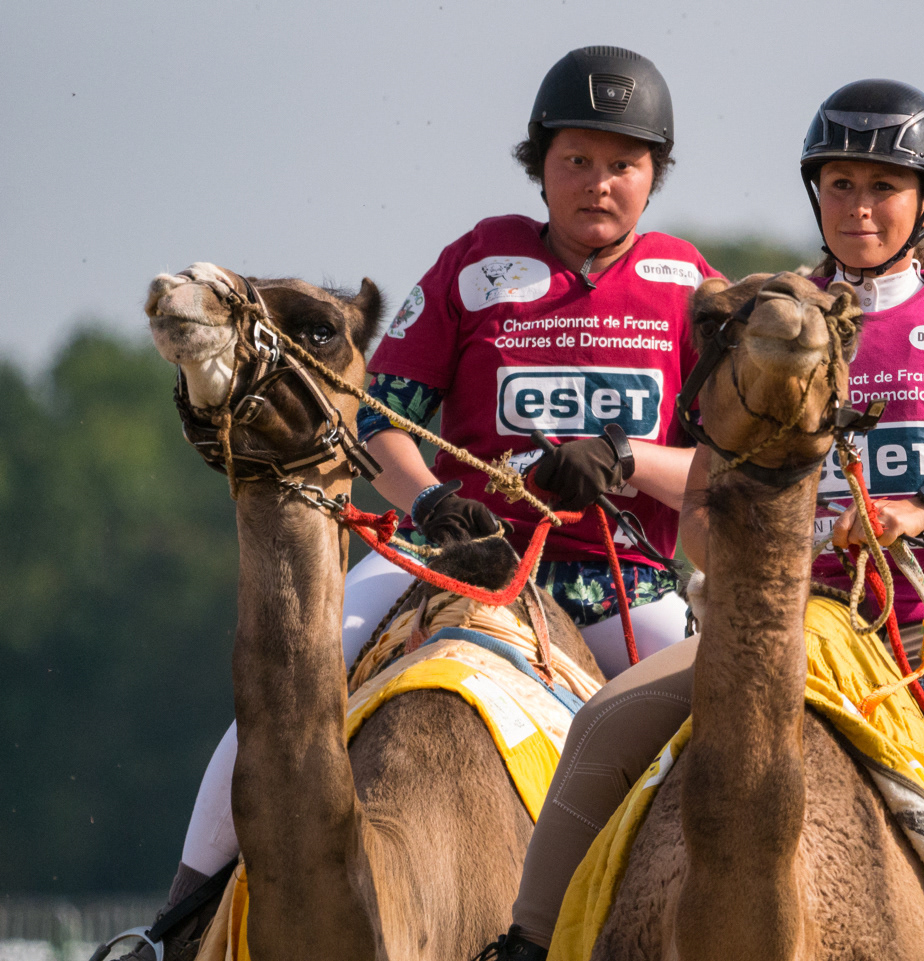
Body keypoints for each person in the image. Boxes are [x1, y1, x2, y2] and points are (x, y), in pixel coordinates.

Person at [480, 80, 924, 961]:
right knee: (599, 728)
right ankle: (524, 945)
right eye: (840, 184)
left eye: (883, 187)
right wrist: (749, 552)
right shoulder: (770, 321)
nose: (859, 207)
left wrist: (921, 513)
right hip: (781, 622)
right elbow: (701, 507)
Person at [123, 46, 716, 961]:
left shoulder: (691, 286)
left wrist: (626, 459)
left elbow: (725, 468)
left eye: (623, 164)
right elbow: (379, 420)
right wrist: (434, 499)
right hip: (450, 559)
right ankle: (172, 929)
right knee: (278, 707)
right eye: (576, 160)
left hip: (619, 588)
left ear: (655, 174)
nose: (598, 183)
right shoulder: (476, 263)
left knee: (731, 736)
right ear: (541, 163)